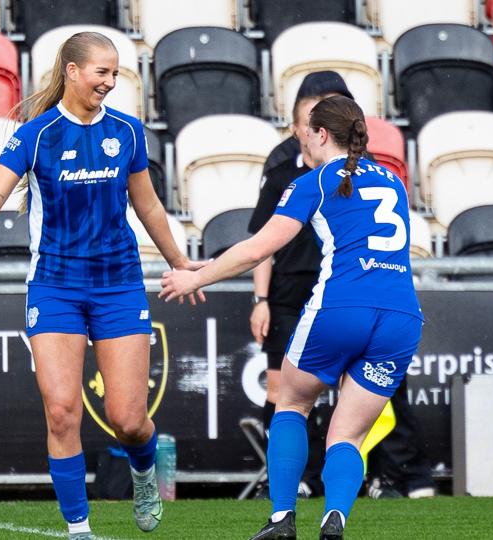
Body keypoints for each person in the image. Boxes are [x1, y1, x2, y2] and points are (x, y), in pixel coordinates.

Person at [0, 31, 205, 539]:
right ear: (73, 71)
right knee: (62, 411)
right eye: (101, 71)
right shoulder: (35, 135)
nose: (110, 80)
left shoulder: (127, 132)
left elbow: (147, 206)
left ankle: (144, 472)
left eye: (115, 71)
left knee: (128, 419)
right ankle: (78, 529)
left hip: (119, 285)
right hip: (55, 287)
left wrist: (182, 264)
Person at [161, 95, 423, 539]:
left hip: (341, 308)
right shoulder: (393, 180)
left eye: (306, 134)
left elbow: (257, 248)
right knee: (348, 435)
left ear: (321, 134)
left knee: (292, 402)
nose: (303, 142)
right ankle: (335, 516)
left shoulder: (314, 181)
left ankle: (283, 517)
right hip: (401, 317)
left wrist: (197, 277)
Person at [249, 71, 351, 498]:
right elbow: (260, 245)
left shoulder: (353, 175)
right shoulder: (280, 176)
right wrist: (260, 300)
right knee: (281, 390)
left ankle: (364, 478)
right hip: (288, 293)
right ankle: (294, 479)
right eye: (307, 121)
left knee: (350, 390)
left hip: (340, 291)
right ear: (296, 128)